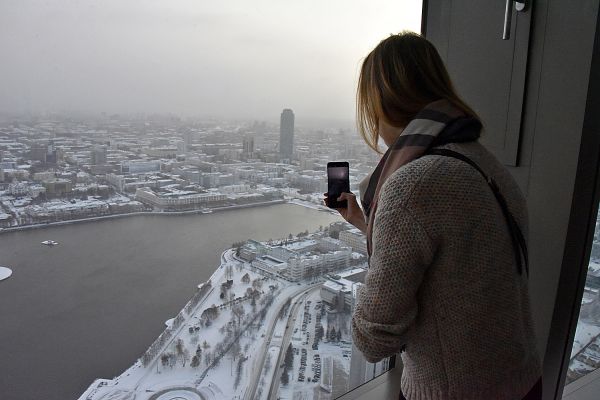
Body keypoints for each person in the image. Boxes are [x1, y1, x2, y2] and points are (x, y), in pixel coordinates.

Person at [324, 32, 542, 400]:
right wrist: (365, 224)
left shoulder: (412, 184)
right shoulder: (484, 162)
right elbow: (455, 263)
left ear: (380, 102)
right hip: (521, 377)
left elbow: (374, 338)